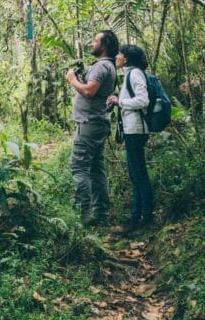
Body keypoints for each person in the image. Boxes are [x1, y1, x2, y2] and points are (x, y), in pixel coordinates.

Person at [65, 30, 119, 226]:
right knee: (96, 169)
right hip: (97, 122)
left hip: (89, 124)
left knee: (79, 168)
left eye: (95, 41)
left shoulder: (101, 67)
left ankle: (83, 215)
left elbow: (89, 91)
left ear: (103, 45)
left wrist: (72, 79)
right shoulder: (109, 66)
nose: (92, 43)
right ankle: (101, 214)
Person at [107, 44, 154, 233]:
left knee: (138, 174)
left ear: (125, 58)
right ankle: (138, 217)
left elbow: (143, 100)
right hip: (132, 129)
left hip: (136, 130)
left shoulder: (134, 74)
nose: (116, 57)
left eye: (119, 54)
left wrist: (120, 101)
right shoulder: (130, 74)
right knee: (137, 174)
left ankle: (143, 218)